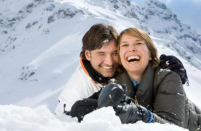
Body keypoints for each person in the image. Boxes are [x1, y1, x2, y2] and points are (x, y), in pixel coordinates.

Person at [55, 24, 188, 122]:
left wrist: (161, 63)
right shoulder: (77, 91)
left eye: (114, 53)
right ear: (88, 55)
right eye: (101, 54)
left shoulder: (120, 72)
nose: (110, 62)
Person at [98, 28, 201, 131]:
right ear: (120, 57)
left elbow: (173, 127)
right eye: (125, 45)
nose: (131, 48)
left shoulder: (168, 78)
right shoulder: (114, 82)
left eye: (138, 43)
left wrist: (141, 115)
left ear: (150, 54)